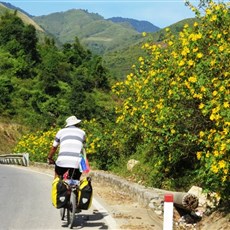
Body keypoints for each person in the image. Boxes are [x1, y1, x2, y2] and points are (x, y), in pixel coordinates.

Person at [47, 115, 86, 180]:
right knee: (76, 180)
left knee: (57, 177)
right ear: (77, 124)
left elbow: (54, 148)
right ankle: (75, 187)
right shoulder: (82, 133)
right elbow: (84, 149)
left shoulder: (61, 132)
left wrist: (49, 158)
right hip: (77, 162)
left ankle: (56, 188)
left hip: (62, 161)